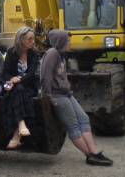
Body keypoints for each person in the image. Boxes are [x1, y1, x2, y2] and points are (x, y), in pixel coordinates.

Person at [40, 29, 113, 166]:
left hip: (66, 94)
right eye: (67, 40)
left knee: (84, 118)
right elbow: (45, 77)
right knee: (73, 127)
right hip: (58, 96)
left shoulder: (61, 55)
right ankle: (90, 155)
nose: (70, 42)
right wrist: (49, 97)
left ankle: (94, 151)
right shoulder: (52, 54)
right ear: (60, 41)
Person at [3, 27, 40, 149]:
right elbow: (6, 72)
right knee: (18, 90)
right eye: (29, 39)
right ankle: (20, 127)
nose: (33, 41)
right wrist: (12, 80)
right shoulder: (11, 52)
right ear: (21, 40)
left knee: (19, 90)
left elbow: (31, 74)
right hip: (14, 86)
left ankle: (18, 130)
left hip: (28, 86)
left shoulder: (34, 54)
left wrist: (18, 79)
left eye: (33, 39)